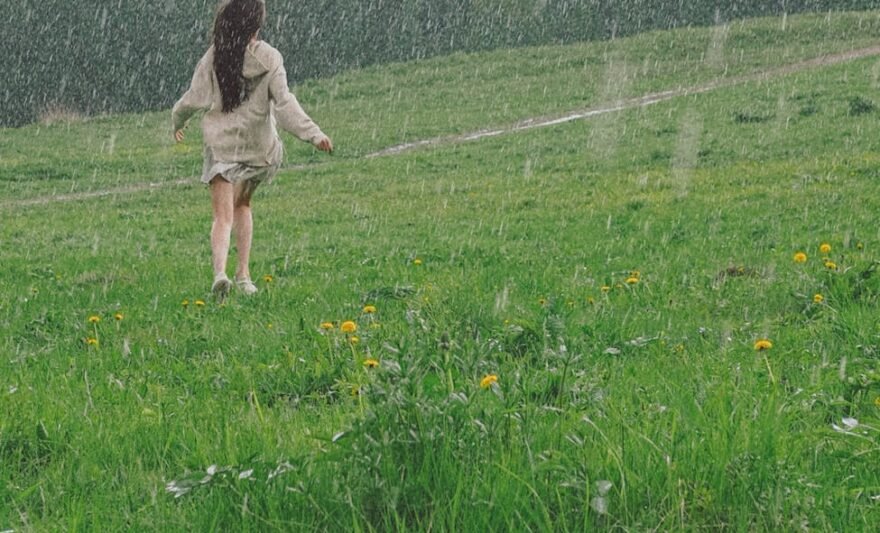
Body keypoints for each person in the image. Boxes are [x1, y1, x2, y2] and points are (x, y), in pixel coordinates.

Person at [172, 0, 332, 298]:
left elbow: (193, 99)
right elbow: (284, 104)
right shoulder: (270, 57)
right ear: (256, 26)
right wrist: (313, 134)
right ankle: (244, 276)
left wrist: (176, 121)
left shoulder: (215, 56)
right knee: (243, 205)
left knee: (222, 217)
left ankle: (220, 274)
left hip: (222, 147)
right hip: (258, 147)